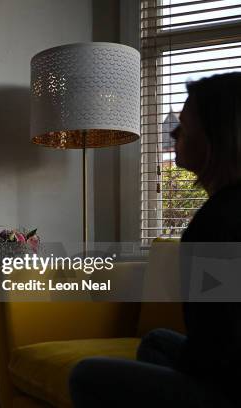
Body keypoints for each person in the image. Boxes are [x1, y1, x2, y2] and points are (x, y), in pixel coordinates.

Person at [69, 73, 241, 407]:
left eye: (186, 127)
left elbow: (219, 348)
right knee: (158, 342)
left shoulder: (219, 222)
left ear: (216, 139)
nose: (174, 133)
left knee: (85, 375)